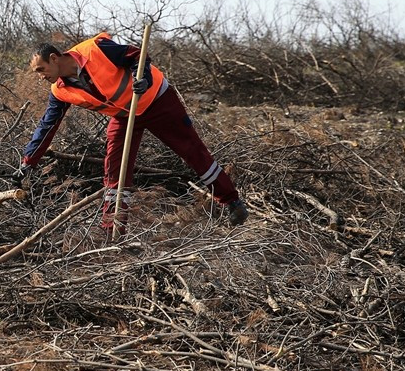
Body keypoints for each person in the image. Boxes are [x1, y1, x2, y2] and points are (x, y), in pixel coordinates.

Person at [15, 34, 248, 229]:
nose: (40, 77)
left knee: (191, 150)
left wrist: (143, 78)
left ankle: (231, 202)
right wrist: (28, 162)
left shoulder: (95, 49)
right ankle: (112, 230)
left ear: (54, 58)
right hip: (125, 116)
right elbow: (47, 125)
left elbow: (138, 55)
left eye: (41, 69)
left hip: (157, 99)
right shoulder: (59, 91)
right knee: (114, 168)